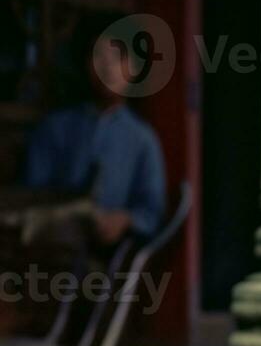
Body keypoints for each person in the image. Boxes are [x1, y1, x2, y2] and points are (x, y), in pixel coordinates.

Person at [23, 14, 167, 246]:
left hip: (106, 260)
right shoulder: (55, 127)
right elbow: (32, 195)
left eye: (119, 56)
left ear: (135, 67)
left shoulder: (142, 139)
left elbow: (152, 212)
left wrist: (124, 219)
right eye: (98, 55)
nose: (108, 66)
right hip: (51, 250)